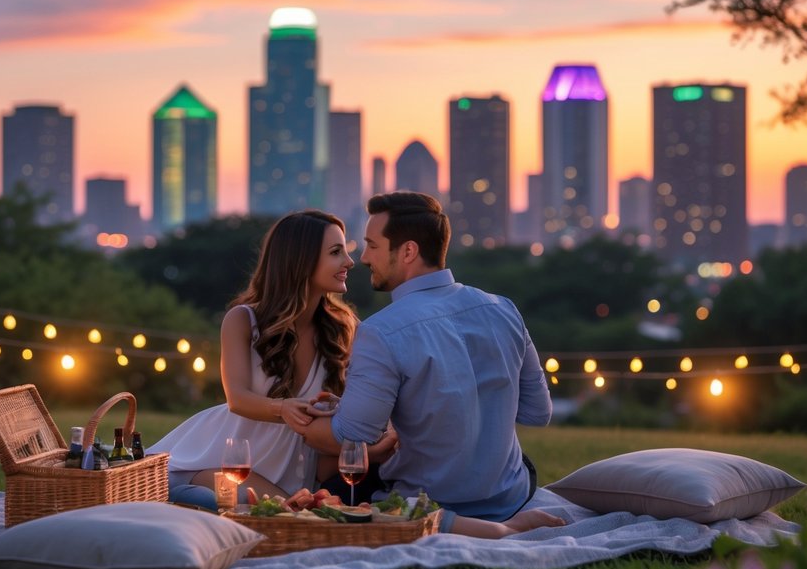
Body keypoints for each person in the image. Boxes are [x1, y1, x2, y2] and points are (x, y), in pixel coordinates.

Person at [297, 191, 565, 538]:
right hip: (509, 494)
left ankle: (480, 529)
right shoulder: (504, 309)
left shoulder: (381, 331)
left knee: (330, 486)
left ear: (408, 251)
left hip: (428, 503)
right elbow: (538, 412)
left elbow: (351, 435)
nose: (363, 258)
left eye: (373, 246)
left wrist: (296, 418)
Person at [148, 209, 395, 509]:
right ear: (299, 260)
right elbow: (237, 398)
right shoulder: (243, 319)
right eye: (335, 252)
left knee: (290, 514)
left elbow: (346, 411)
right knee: (271, 511)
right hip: (223, 460)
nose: (349, 261)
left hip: (297, 470)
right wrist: (283, 408)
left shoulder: (345, 326)